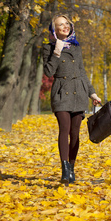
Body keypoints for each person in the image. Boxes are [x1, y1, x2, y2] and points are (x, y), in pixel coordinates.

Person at [43, 14, 101, 184]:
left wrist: (93, 94)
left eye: (66, 23)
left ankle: (72, 168)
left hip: (79, 93)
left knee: (75, 134)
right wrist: (57, 51)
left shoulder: (76, 47)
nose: (65, 26)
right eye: (61, 24)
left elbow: (82, 72)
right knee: (64, 129)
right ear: (54, 29)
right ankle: (65, 170)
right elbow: (48, 72)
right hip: (61, 93)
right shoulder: (49, 47)